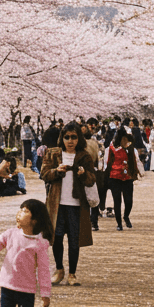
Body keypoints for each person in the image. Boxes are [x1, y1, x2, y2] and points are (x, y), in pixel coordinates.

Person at [40, 121, 97, 285]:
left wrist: (84, 174)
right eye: (67, 137)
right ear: (62, 138)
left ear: (79, 138)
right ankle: (59, 269)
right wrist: (56, 172)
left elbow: (92, 179)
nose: (70, 141)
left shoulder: (84, 156)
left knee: (74, 239)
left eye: (74, 137)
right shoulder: (53, 153)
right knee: (56, 238)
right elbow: (44, 174)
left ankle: (72, 273)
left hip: (76, 205)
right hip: (57, 203)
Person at [104, 127, 139, 231]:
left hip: (127, 176)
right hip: (115, 176)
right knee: (117, 201)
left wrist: (134, 173)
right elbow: (109, 161)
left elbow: (133, 159)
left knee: (129, 200)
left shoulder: (130, 146)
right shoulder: (112, 146)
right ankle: (119, 223)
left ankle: (126, 216)